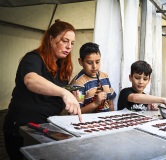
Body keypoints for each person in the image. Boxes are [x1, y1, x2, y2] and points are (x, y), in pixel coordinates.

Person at [3, 19, 82, 160]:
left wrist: (70, 98)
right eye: (65, 41)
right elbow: (31, 80)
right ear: (51, 39)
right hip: (21, 128)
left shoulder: (62, 66)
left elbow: (52, 95)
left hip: (45, 127)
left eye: (72, 43)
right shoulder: (33, 58)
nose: (69, 46)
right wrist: (63, 92)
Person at [71, 42, 116, 113]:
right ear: (80, 62)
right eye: (89, 62)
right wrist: (95, 103)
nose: (94, 66)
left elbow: (110, 102)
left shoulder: (104, 77)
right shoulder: (79, 84)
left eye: (97, 62)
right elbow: (76, 112)